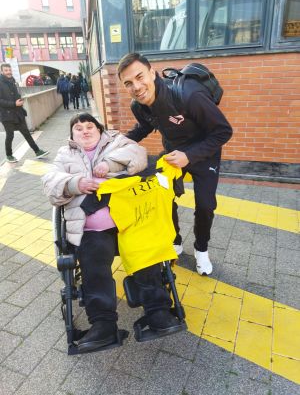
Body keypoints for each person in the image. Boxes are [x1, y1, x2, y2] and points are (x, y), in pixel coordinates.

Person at [42, 112, 183, 353]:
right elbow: (49, 182)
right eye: (78, 128)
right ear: (72, 135)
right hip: (93, 227)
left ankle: (158, 312)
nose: (85, 131)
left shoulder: (117, 141)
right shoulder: (64, 155)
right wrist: (76, 184)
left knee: (145, 253)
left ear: (100, 130)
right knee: (93, 261)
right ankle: (103, 324)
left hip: (131, 221)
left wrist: (110, 164)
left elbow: (138, 156)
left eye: (90, 126)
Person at [118, 53, 233, 276]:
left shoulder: (189, 95)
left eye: (140, 77)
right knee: (162, 196)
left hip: (204, 153)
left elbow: (223, 131)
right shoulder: (138, 105)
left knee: (206, 205)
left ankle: (201, 250)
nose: (137, 87)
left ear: (152, 73)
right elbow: (144, 127)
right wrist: (118, 142)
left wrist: (189, 156)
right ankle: (175, 240)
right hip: (173, 153)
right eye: (128, 83)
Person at [0, 63, 49, 163]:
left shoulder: (12, 81)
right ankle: (9, 155)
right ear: (1, 72)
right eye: (6, 70)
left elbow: (15, 95)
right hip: (7, 114)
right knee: (10, 135)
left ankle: (37, 151)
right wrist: (14, 103)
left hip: (18, 113)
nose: (8, 72)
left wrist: (19, 100)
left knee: (26, 133)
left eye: (9, 70)